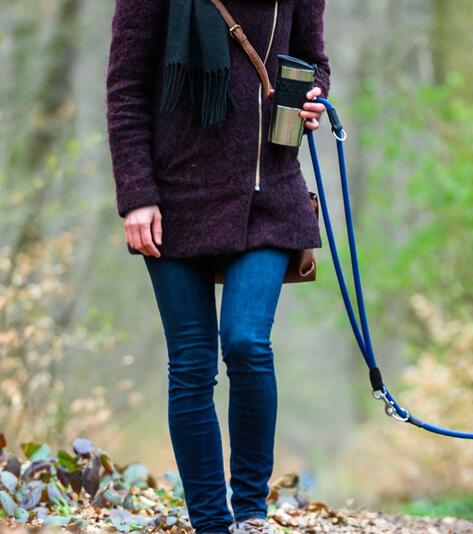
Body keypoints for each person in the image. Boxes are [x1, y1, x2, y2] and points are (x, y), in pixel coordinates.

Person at [105, 1, 330, 532]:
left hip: (266, 195)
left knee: (247, 343)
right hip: (174, 198)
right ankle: (211, 522)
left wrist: (314, 99)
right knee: (191, 363)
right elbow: (125, 88)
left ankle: (250, 513)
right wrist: (136, 194)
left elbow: (313, 60)